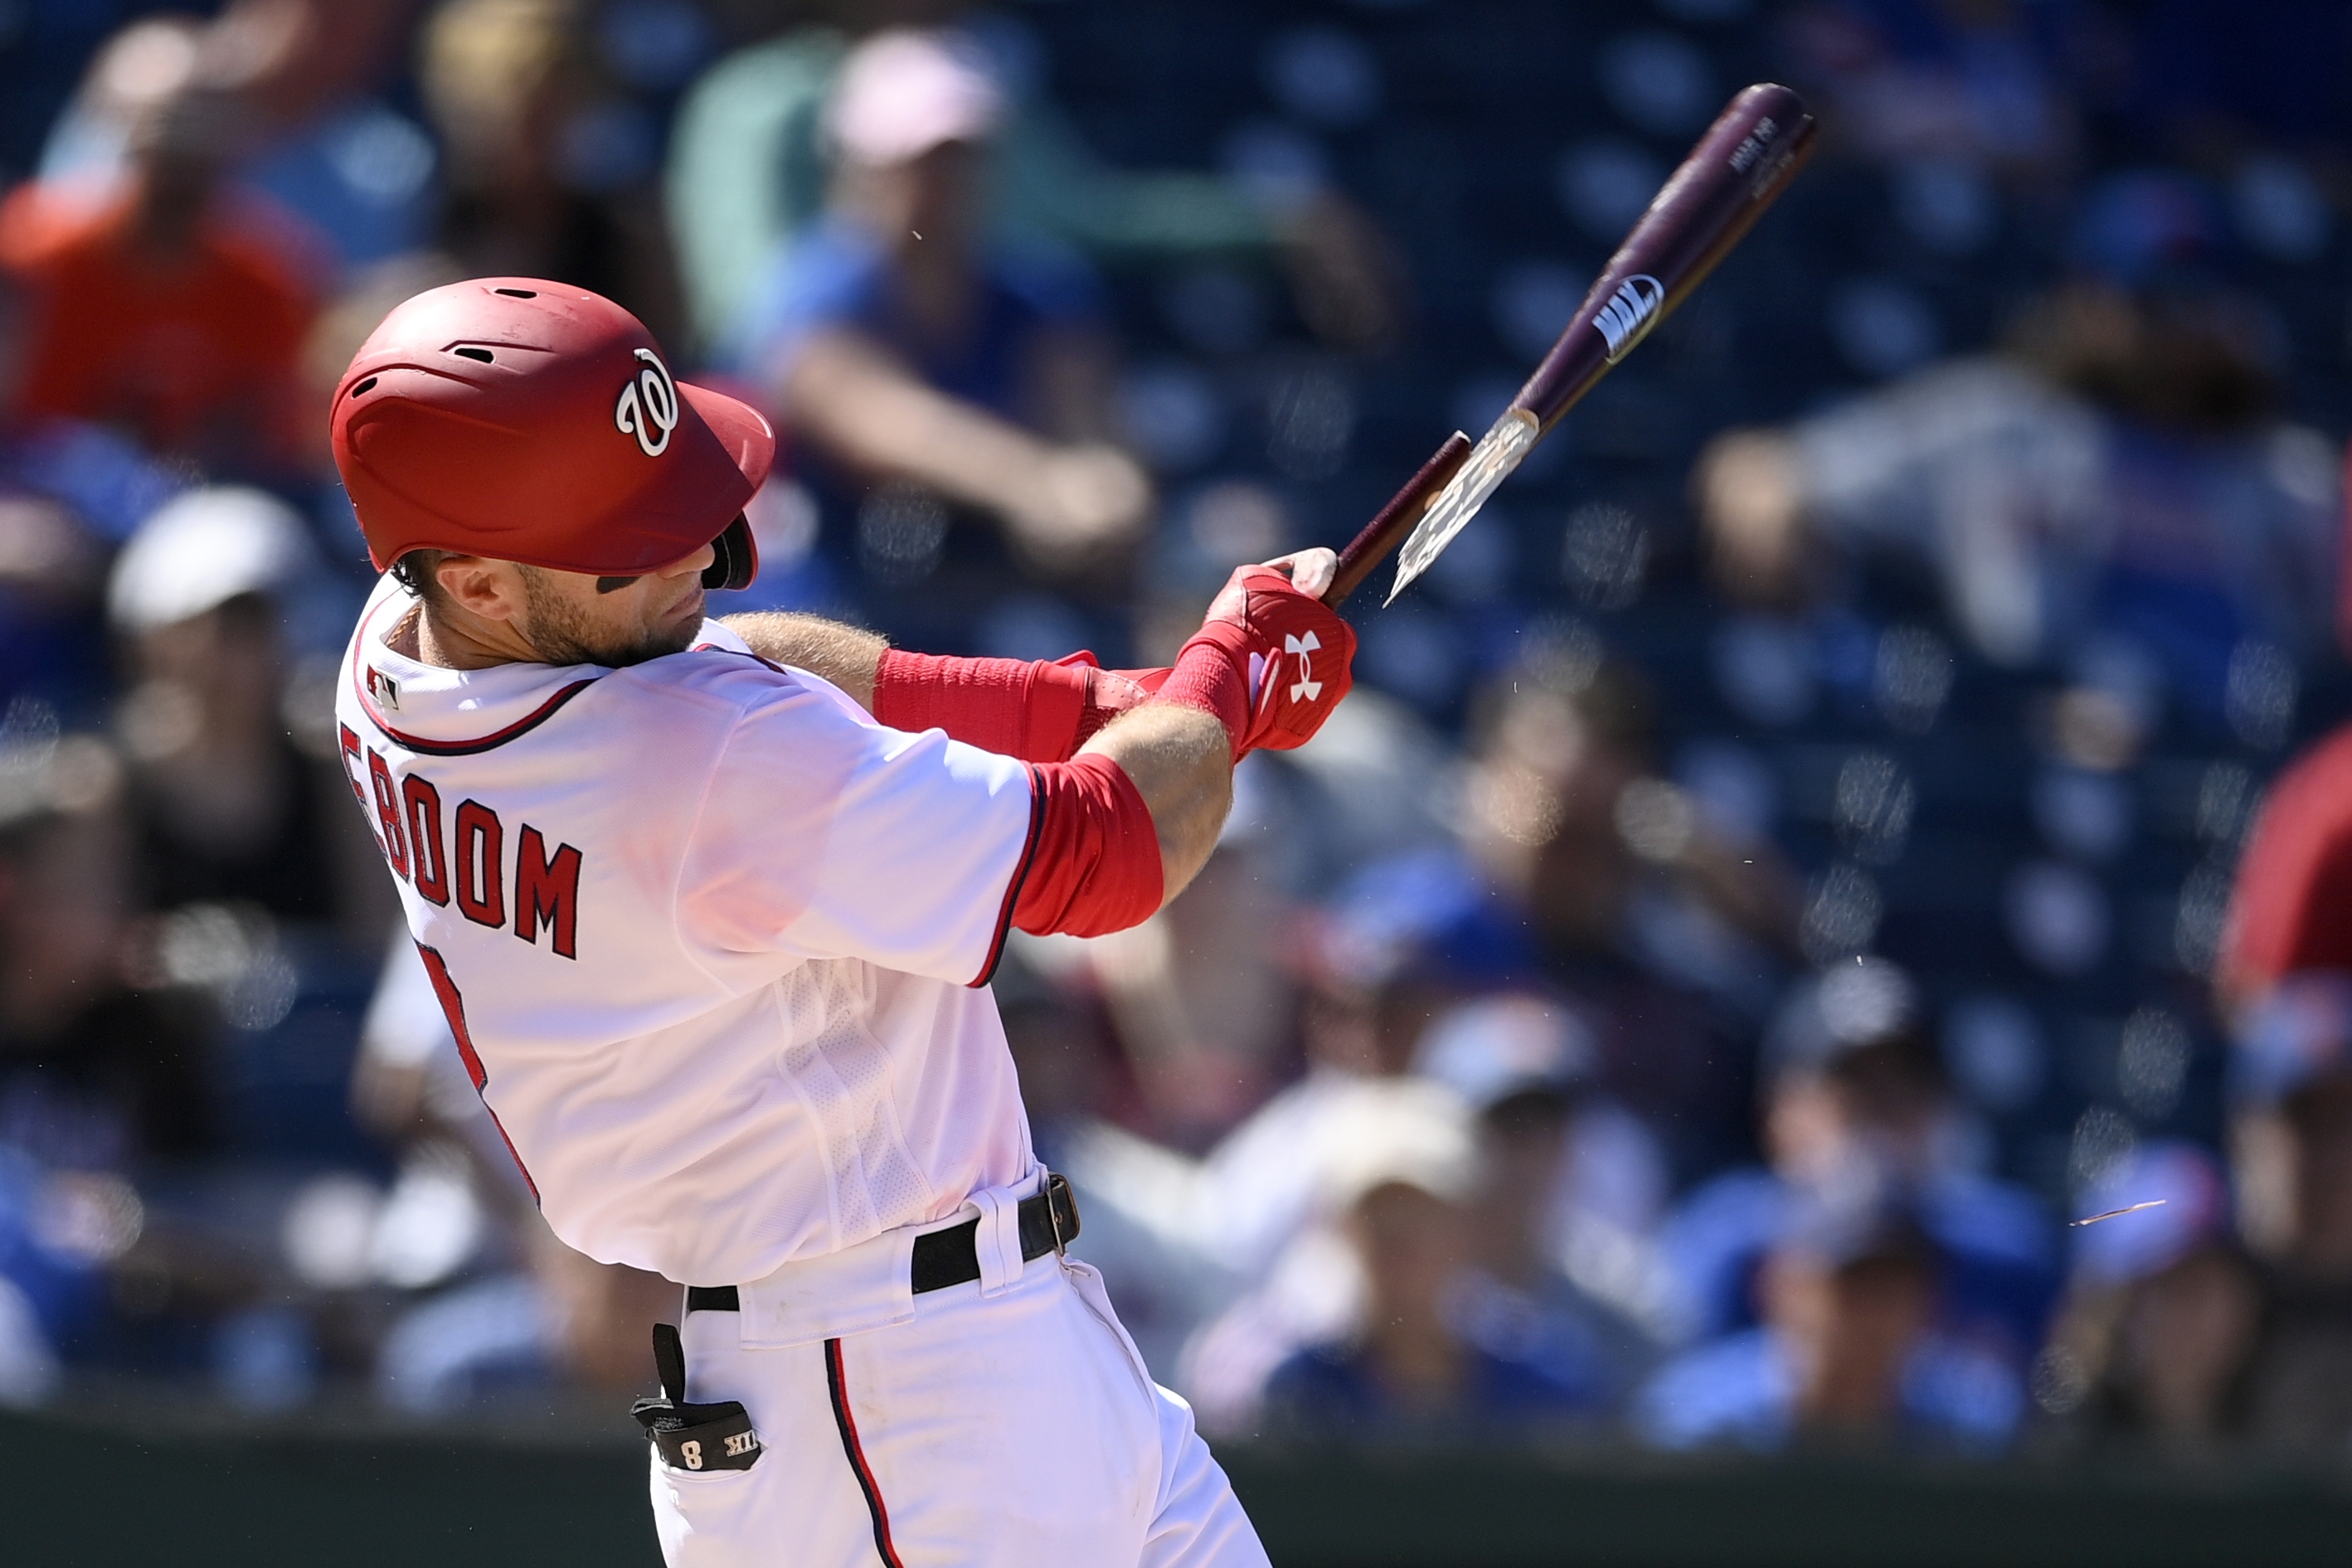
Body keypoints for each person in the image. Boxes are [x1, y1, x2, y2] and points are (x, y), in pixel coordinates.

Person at [326, 276, 1359, 1565]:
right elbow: (1110, 855)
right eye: (632, 543)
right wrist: (1226, 681)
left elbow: (745, 656)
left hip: (921, 1366)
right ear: (480, 581)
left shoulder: (396, 654)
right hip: (892, 1416)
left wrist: (1108, 700)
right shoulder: (697, 771)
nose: (696, 557)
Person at [733, 28, 1151, 643]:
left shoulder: (1039, 291)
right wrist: (1037, 484)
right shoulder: (812, 288)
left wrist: (1110, 491)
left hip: (984, 605)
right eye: (918, 161)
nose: (941, 184)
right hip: (821, 619)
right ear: (861, 167)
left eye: (959, 159)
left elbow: (1093, 429)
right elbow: (871, 416)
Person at [1636, 1189, 2022, 1453]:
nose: (1874, 1313)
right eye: (1851, 1285)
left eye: (1896, 1288)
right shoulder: (1695, 1426)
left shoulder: (1971, 1428)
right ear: (1781, 1288)